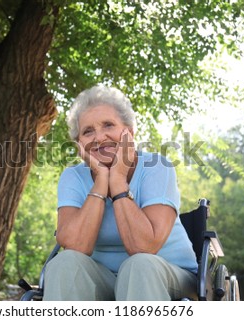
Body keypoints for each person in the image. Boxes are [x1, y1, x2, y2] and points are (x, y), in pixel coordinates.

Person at [43, 85, 198, 301]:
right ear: (79, 144)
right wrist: (100, 182)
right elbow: (77, 247)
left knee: (139, 265)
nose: (98, 137)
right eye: (88, 131)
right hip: (102, 279)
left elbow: (144, 247)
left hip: (168, 275)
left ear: (130, 132)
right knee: (63, 263)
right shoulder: (73, 177)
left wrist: (117, 181)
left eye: (108, 125)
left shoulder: (157, 167)